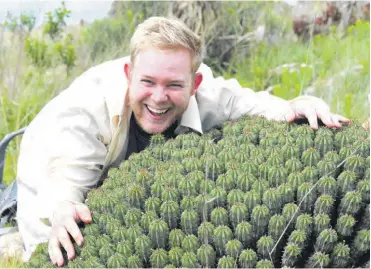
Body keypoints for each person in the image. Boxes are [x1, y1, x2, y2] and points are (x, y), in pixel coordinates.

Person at [15, 16, 349, 266]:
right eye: (147, 81)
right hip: (45, 165)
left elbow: (261, 105)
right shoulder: (84, 111)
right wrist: (61, 209)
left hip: (125, 161)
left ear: (195, 82)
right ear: (129, 75)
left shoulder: (209, 91)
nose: (159, 98)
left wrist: (301, 104)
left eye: (174, 85)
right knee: (57, 244)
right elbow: (63, 183)